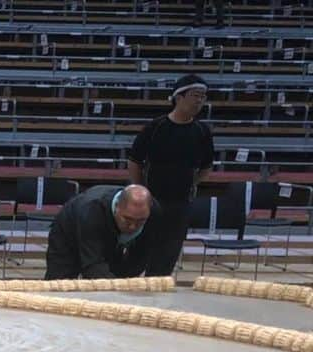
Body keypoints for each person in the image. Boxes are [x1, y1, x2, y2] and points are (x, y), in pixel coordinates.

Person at [128, 74, 215, 277]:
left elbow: (207, 167)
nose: (200, 101)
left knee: (167, 256)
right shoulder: (155, 127)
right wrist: (141, 190)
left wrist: (191, 183)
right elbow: (134, 162)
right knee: (139, 252)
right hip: (151, 201)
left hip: (181, 204)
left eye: (203, 96)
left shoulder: (202, 131)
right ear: (179, 97)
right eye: (195, 95)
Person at [45, 184, 157, 280]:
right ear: (117, 207)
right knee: (60, 283)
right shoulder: (92, 210)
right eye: (127, 219)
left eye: (140, 221)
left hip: (111, 233)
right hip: (68, 234)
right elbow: (93, 265)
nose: (133, 227)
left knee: (121, 274)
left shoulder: (155, 212)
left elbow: (141, 258)